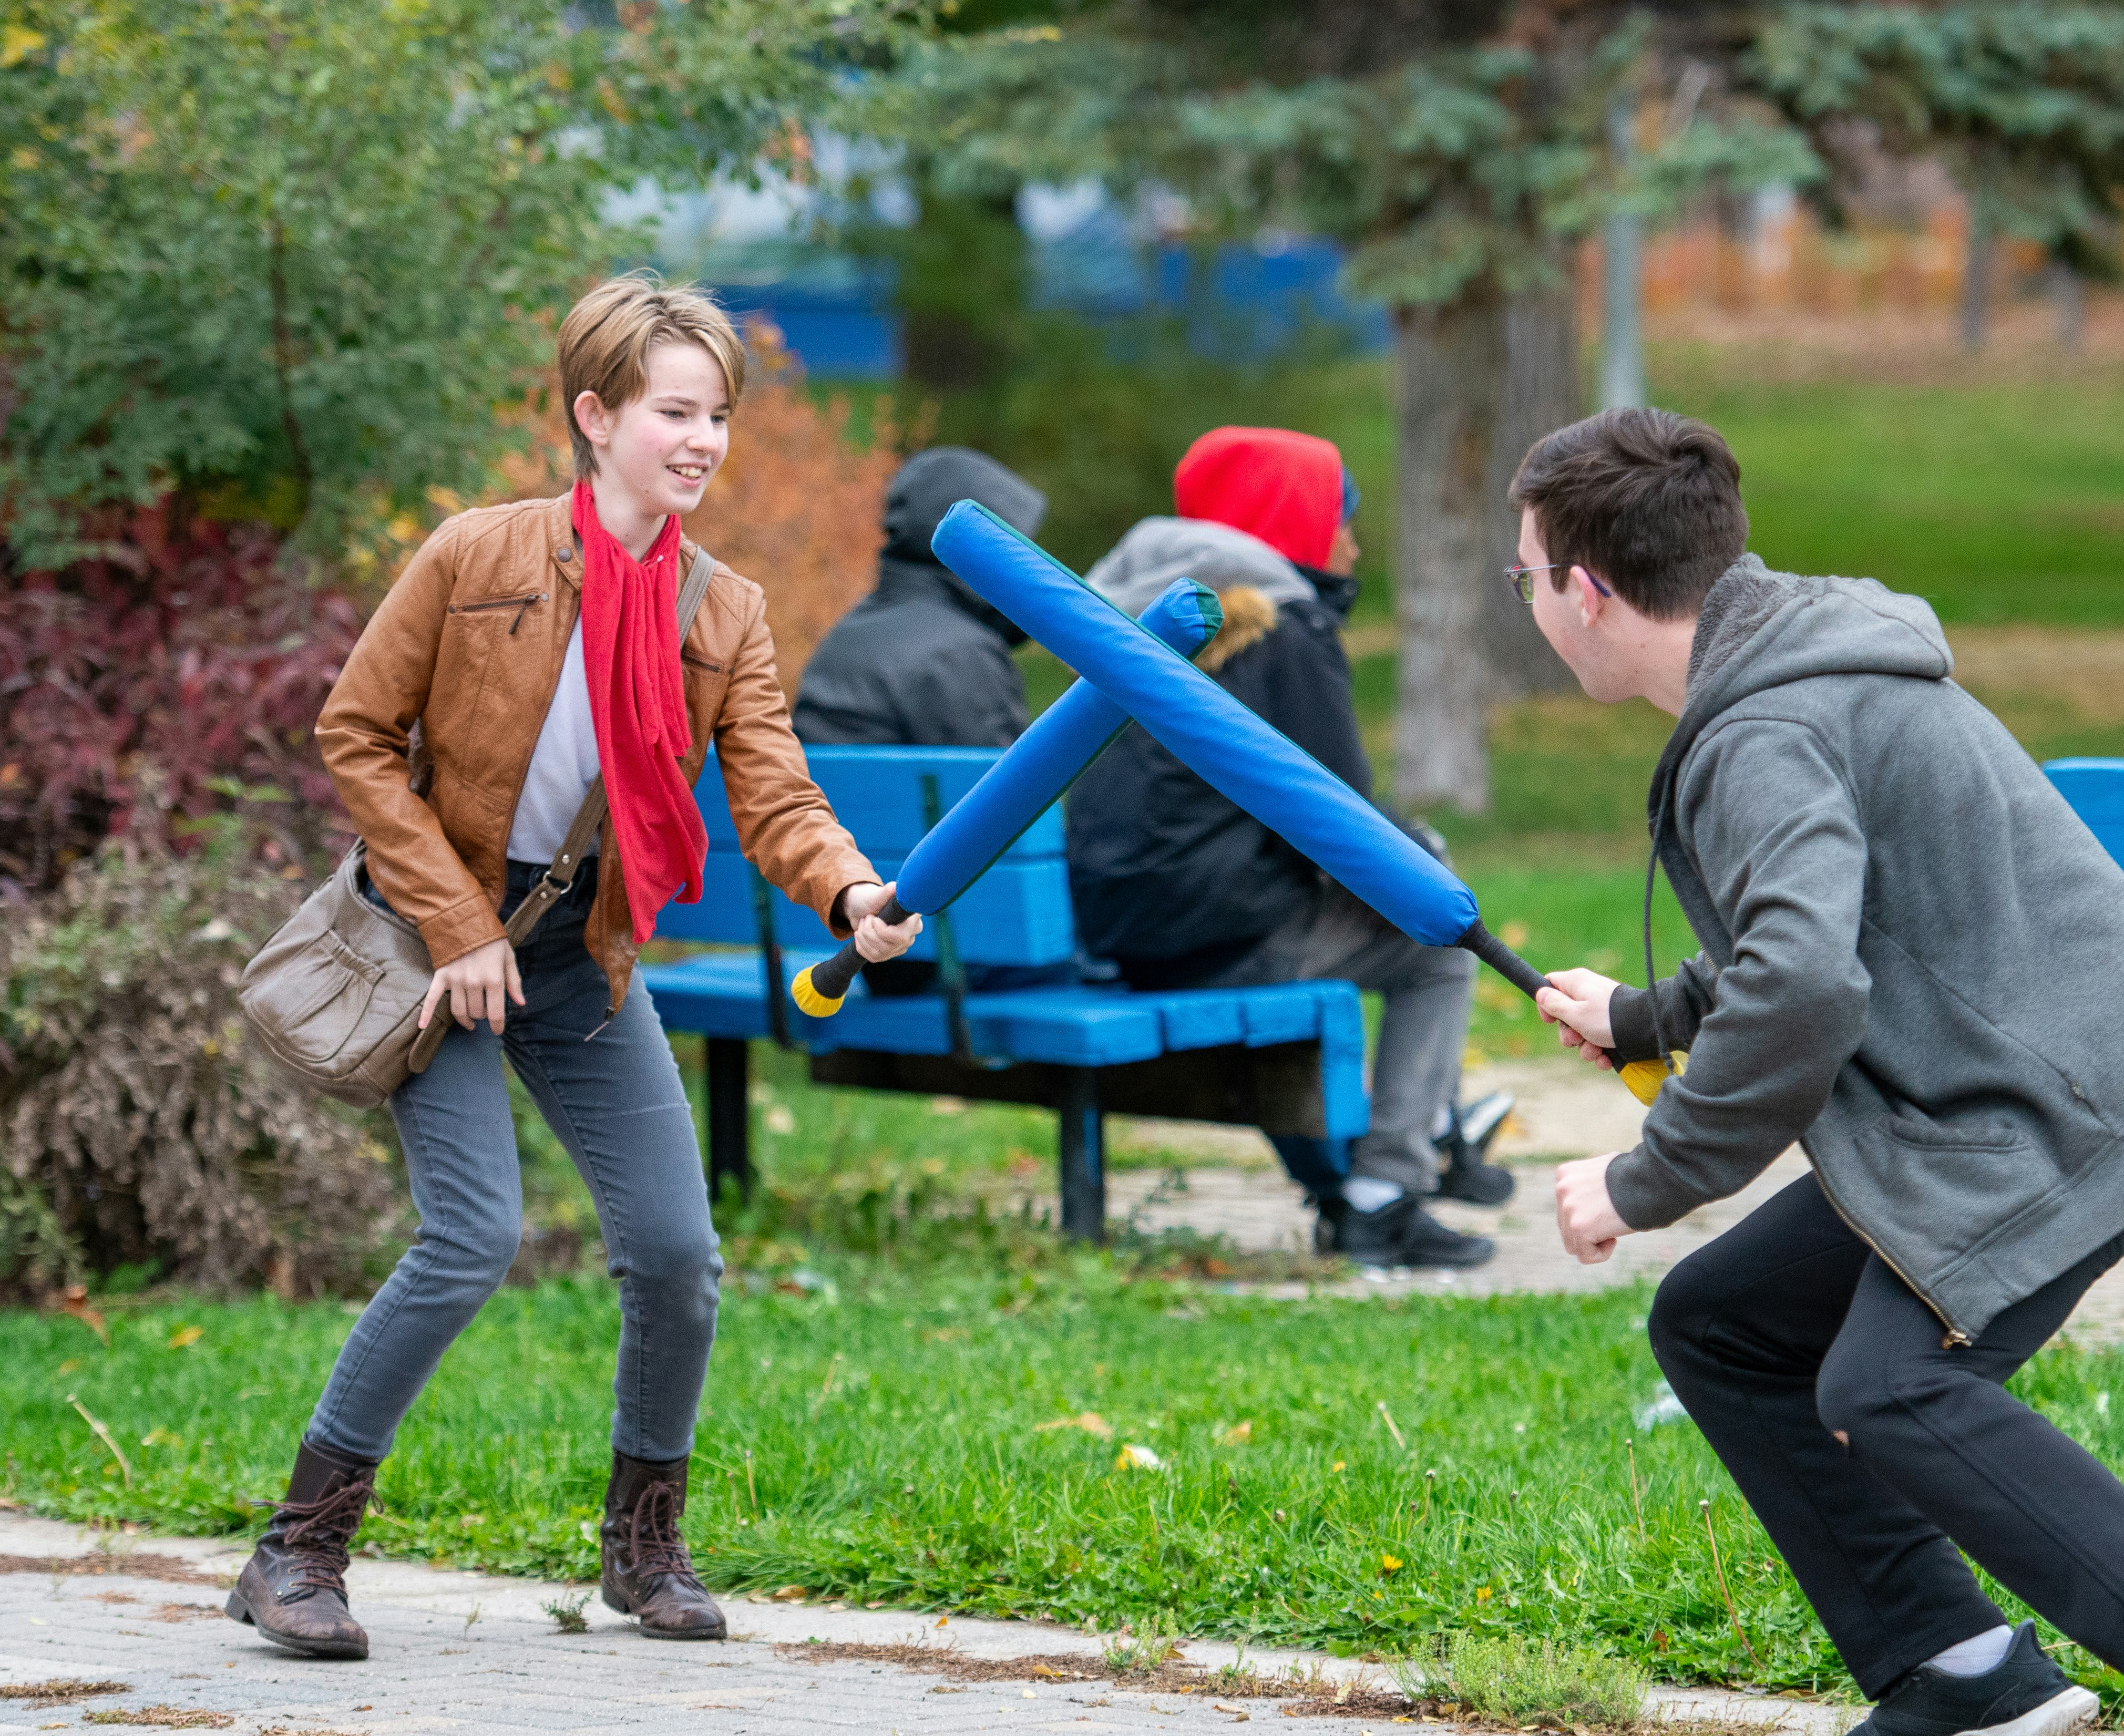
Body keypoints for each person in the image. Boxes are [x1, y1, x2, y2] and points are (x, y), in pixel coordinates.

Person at [1513, 407, 2124, 1736]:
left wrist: (1641, 1179)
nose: (1526, 609)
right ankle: (1955, 1663)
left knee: (1886, 1382)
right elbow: (1820, 935)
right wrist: (1649, 1011)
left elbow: (1800, 984)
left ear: (1587, 588)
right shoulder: (1791, 670)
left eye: (1524, 577)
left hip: (2057, 1111)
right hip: (2037, 1087)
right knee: (1723, 1323)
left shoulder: (1762, 725)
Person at [226, 277, 922, 1662]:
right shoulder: (476, 557)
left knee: (677, 1253)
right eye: (675, 409)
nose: (702, 438)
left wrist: (848, 886)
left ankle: (640, 1545)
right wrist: (458, 927)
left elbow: (772, 789)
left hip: (580, 952)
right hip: (440, 944)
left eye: (717, 412)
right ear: (595, 415)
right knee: (473, 1234)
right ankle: (295, 1549)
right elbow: (357, 735)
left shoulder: (722, 611)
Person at [1065, 425, 1507, 1269]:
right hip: (1220, 938)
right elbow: (1342, 825)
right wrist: (1427, 858)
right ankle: (1387, 1191)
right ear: (1295, 523)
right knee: (1436, 949)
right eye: (1342, 519)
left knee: (1340, 936)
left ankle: (1372, 1172)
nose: (1353, 544)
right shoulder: (1282, 626)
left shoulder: (1124, 618)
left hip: (1114, 938)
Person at [790, 445, 1047, 750]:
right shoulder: (961, 654)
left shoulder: (845, 635)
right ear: (984, 550)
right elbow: (1014, 790)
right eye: (1017, 550)